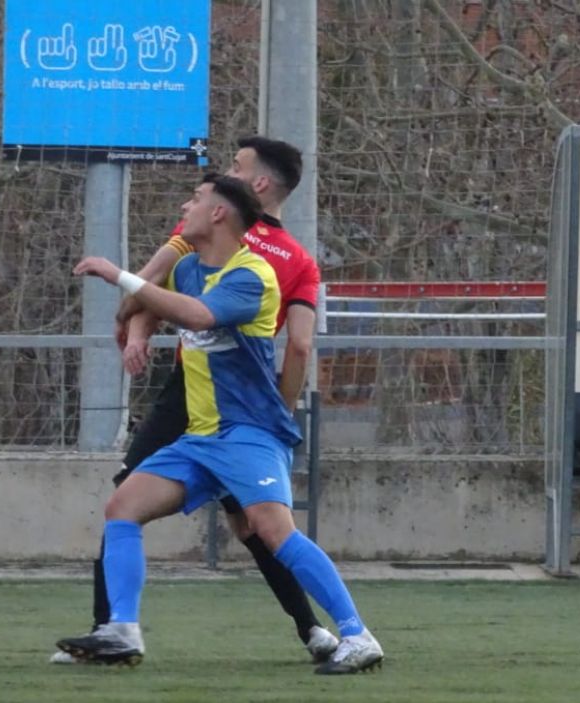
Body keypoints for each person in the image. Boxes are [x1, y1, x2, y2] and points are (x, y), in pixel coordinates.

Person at [56, 174, 383, 675]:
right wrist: (138, 327)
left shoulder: (253, 274)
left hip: (248, 432)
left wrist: (119, 275)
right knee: (123, 507)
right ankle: (121, 629)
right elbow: (153, 302)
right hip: (201, 437)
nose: (186, 204)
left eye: (197, 199)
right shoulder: (188, 267)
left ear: (218, 214)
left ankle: (357, 636)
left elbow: (200, 316)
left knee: (274, 531)